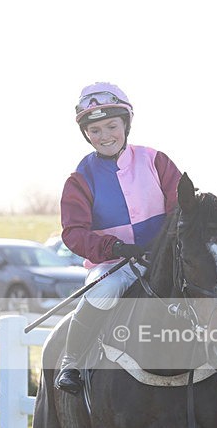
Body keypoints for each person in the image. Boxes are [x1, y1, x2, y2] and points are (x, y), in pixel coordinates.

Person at [55, 81, 182, 394]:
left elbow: (181, 209)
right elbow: (73, 233)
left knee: (199, 288)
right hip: (115, 263)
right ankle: (72, 362)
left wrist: (167, 243)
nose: (104, 136)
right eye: (94, 130)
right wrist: (114, 247)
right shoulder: (80, 178)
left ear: (126, 124)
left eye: (111, 126)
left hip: (164, 258)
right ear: (85, 134)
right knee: (102, 290)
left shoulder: (157, 161)